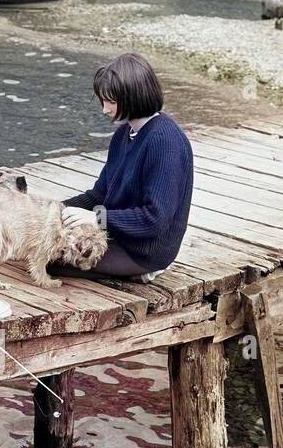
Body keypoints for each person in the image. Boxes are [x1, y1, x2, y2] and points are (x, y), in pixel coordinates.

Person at [60, 53, 193, 282]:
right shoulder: (124, 133)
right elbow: (99, 195)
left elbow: (155, 218)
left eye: (111, 101)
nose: (104, 109)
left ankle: (142, 273)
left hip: (144, 251)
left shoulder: (165, 141)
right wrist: (55, 209)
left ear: (133, 96)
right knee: (38, 242)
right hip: (116, 235)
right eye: (103, 101)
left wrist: (97, 219)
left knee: (50, 257)